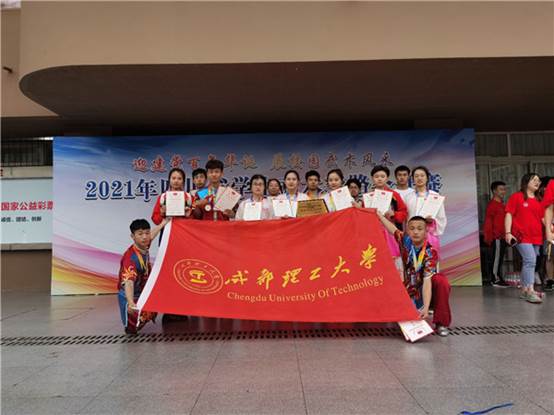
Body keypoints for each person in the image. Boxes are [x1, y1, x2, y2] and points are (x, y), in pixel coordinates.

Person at [378, 214, 452, 336]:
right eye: (412, 228)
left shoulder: (430, 252)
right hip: (409, 288)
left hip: (426, 290)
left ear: (426, 232)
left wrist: (426, 308)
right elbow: (393, 229)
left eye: (419, 229)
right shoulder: (405, 242)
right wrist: (379, 215)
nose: (416, 232)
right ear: (408, 231)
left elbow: (427, 282)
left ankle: (441, 323)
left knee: (441, 281)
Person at [118, 218, 169, 334]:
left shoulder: (143, 245)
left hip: (143, 291)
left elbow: (152, 235)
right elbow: (129, 282)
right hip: (130, 294)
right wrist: (131, 303)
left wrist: (163, 223)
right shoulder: (130, 259)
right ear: (133, 236)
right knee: (133, 326)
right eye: (140, 234)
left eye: (147, 233)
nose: (145, 237)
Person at [505, 173, 544, 303]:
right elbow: (509, 214)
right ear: (526, 182)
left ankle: (524, 290)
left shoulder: (538, 199)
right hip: (521, 236)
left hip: (536, 237)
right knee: (530, 260)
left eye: (539, 181)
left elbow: (543, 218)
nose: (538, 182)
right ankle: (530, 290)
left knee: (530, 262)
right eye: (534, 180)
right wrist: (508, 232)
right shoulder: (517, 197)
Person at [368, 165, 408, 276]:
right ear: (372, 178)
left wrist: (394, 214)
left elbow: (404, 212)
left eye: (382, 176)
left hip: (391, 232)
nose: (379, 179)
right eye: (376, 176)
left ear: (387, 178)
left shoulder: (394, 195)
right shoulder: (368, 196)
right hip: (374, 233)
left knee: (394, 261)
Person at [405, 166, 447, 260]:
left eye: (422, 175)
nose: (419, 178)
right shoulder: (408, 197)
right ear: (413, 179)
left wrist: (432, 221)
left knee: (430, 264)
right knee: (412, 264)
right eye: (416, 176)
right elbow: (405, 219)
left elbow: (441, 218)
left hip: (429, 236)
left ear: (427, 178)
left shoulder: (435, 196)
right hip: (412, 236)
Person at [483, 181, 509, 287]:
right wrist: (490, 237)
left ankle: (498, 277)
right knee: (496, 258)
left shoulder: (502, 204)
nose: (503, 191)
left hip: (502, 237)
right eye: (501, 189)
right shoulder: (492, 205)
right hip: (496, 237)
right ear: (494, 191)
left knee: (499, 258)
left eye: (504, 189)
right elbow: (488, 223)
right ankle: (495, 279)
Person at [543, 177, 554, 291]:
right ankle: (550, 280)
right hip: (553, 228)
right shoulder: (552, 184)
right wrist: (548, 230)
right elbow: (549, 209)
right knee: (550, 256)